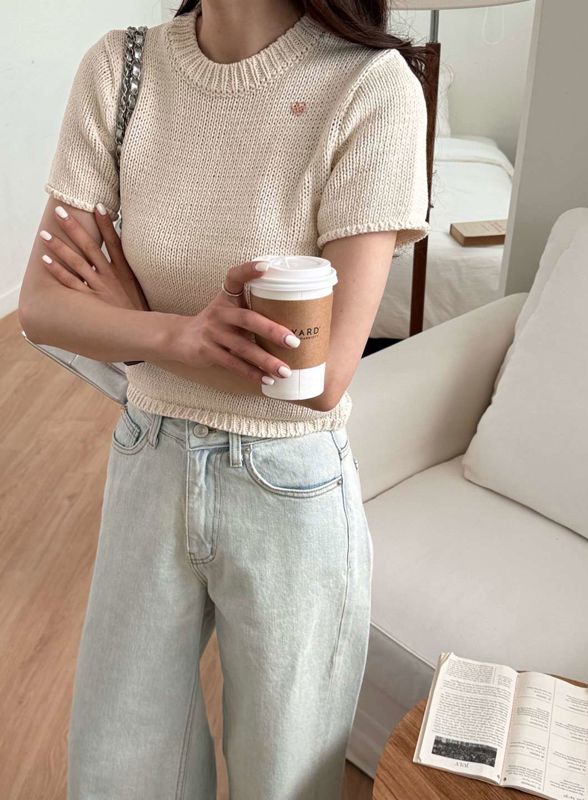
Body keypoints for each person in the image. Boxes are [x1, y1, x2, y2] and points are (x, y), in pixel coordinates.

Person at [18, 0, 431, 797]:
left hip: (291, 488)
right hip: (148, 458)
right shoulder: (121, 69)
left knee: (285, 779)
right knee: (119, 769)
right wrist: (173, 336)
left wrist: (131, 322)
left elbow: (320, 376)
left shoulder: (370, 87)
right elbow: (42, 306)